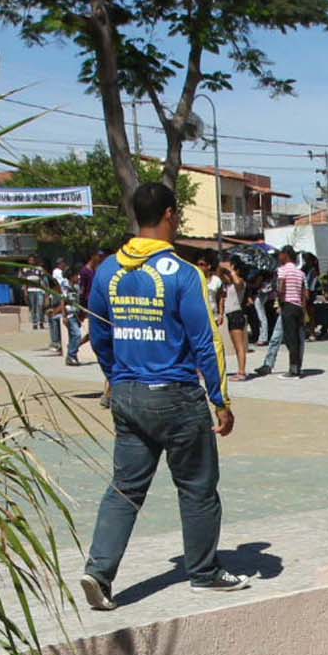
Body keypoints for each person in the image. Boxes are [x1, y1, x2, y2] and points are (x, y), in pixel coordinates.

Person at [79, 180, 249, 612]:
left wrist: (115, 376)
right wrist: (221, 399)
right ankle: (204, 572)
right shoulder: (185, 274)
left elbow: (99, 333)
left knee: (125, 488)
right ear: (171, 215)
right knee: (196, 487)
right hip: (176, 396)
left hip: (129, 392)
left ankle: (98, 571)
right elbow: (206, 341)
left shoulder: (107, 272)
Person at [269, 247, 307, 377]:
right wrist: (303, 309)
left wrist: (280, 302)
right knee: (297, 338)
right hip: (298, 307)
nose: (279, 257)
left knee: (290, 338)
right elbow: (304, 294)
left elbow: (280, 288)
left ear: (286, 255)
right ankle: (297, 366)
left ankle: (293, 369)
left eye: (280, 254)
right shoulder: (300, 273)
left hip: (288, 306)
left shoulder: (282, 270)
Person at [218, 254, 253, 379]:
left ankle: (242, 372)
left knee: (239, 346)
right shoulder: (228, 283)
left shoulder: (240, 281)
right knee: (235, 345)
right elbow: (220, 274)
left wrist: (232, 270)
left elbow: (238, 283)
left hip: (237, 313)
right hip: (231, 314)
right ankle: (240, 371)